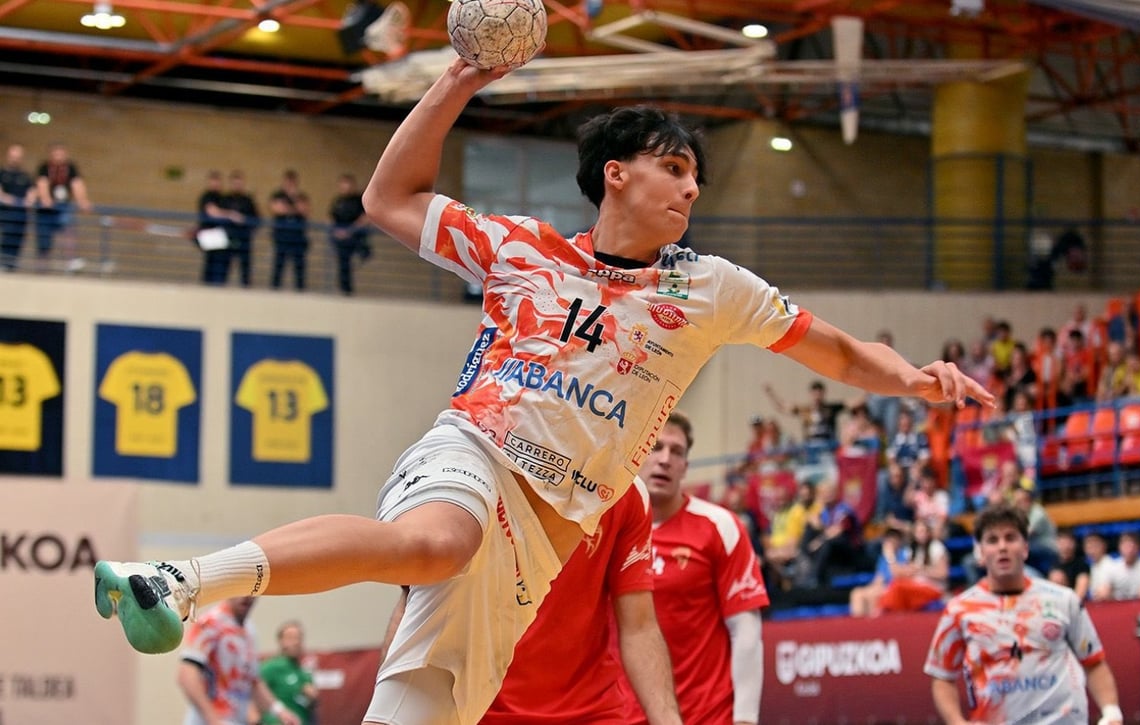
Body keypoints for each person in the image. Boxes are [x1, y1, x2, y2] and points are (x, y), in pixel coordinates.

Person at [94, 57, 993, 725]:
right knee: (435, 538)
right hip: (475, 449)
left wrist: (914, 380)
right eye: (674, 168)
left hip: (546, 534)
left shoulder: (711, 286)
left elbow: (833, 351)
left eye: (695, 177)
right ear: (618, 172)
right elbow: (389, 197)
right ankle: (180, 579)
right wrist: (461, 75)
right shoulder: (523, 249)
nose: (690, 187)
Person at [379, 483, 683, 725]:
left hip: (590, 712)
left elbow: (639, 627)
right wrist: (387, 706)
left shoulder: (625, 489)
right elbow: (412, 605)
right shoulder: (483, 473)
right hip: (479, 708)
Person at [621, 411, 770, 725]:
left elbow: (745, 630)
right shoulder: (605, 530)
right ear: (635, 454)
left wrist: (745, 718)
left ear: (686, 466)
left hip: (707, 715)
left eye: (676, 451)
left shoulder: (720, 526)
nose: (664, 459)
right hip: (622, 715)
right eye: (655, 447)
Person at [924, 503, 1123, 725]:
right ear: (980, 552)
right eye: (992, 540)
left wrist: (1112, 712)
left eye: (1010, 538)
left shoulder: (1063, 600)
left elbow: (1094, 662)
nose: (1002, 547)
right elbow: (942, 677)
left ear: (1025, 548)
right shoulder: (958, 610)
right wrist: (956, 722)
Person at [177, 596, 301, 725]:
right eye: (242, 590)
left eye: (252, 591)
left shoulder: (250, 631)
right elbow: (186, 676)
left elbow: (253, 681)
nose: (247, 596)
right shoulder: (210, 623)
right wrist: (213, 719)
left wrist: (280, 711)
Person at [34, 142, 92, 273]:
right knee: (44, 238)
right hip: (46, 210)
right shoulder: (44, 167)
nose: (59, 157)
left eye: (61, 154)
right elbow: (42, 183)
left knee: (68, 231)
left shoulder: (70, 168)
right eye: (56, 154)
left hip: (63, 207)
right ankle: (42, 265)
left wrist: (83, 200)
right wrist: (45, 198)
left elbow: (77, 184)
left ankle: (70, 260)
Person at [259, 620, 318, 725]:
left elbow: (312, 706)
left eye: (298, 638)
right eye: (290, 638)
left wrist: (312, 698)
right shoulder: (271, 667)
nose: (296, 642)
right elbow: (253, 693)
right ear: (281, 641)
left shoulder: (304, 672)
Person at [196, 170, 243, 286]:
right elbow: (212, 211)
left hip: (221, 237)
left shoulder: (222, 198)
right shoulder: (207, 196)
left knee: (221, 264)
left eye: (218, 182)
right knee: (213, 264)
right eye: (213, 181)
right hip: (211, 236)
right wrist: (230, 215)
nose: (216, 184)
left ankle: (217, 286)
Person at [330, 172, 372, 296]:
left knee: (355, 260)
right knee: (343, 263)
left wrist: (350, 231)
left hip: (356, 238)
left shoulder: (359, 200)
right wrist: (336, 231)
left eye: (347, 183)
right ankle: (344, 289)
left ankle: (349, 290)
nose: (345, 187)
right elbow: (331, 217)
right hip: (341, 238)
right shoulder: (338, 201)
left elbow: (366, 217)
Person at [1091, 531, 1140, 601]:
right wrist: (1104, 592)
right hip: (1117, 607)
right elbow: (1101, 591)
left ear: (1138, 548)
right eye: (1126, 546)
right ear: (1120, 547)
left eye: (1132, 546)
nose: (1129, 550)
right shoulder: (1112, 567)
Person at [270, 169, 310, 290]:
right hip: (281, 236)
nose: (290, 185)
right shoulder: (277, 195)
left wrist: (290, 203)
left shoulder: (301, 196)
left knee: (299, 267)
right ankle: (275, 289)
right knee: (278, 265)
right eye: (288, 182)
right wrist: (294, 208)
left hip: (298, 237)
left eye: (292, 182)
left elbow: (304, 210)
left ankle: (300, 290)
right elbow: (276, 209)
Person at [222, 169, 261, 287]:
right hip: (228, 237)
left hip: (244, 239)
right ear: (231, 183)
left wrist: (244, 222)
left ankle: (246, 290)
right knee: (224, 267)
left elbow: (256, 219)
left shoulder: (248, 201)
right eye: (235, 183)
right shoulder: (225, 200)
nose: (237, 185)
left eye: (239, 183)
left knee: (245, 269)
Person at [0, 142, 34, 271]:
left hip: (20, 216)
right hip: (4, 215)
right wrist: (14, 201)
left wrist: (30, 199)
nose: (15, 159)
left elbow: (31, 192)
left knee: (16, 241)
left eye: (18, 157)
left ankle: (10, 265)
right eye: (13, 156)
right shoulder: (2, 173)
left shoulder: (25, 176)